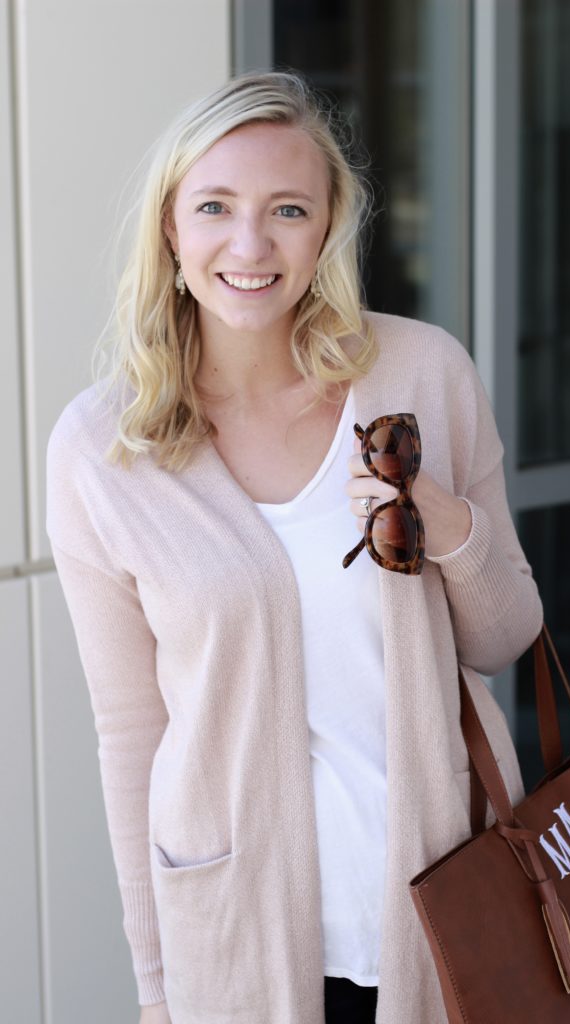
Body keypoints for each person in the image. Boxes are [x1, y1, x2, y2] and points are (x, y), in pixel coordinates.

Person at [46, 71, 543, 1024]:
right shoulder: (104, 448)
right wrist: (156, 988)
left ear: (325, 230)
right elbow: (132, 733)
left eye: (286, 209)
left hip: (446, 905)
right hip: (239, 934)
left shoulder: (419, 371)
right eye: (215, 208)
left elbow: (505, 636)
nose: (249, 244)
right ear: (170, 230)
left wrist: (432, 511)